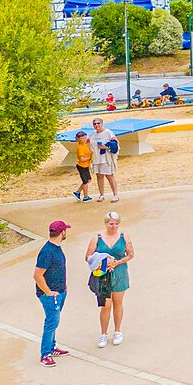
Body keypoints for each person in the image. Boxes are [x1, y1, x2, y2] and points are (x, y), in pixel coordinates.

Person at [85, 211, 133, 348]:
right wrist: (104, 262)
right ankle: (103, 333)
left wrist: (117, 262)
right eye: (111, 224)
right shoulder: (97, 238)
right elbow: (88, 257)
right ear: (106, 224)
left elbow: (130, 254)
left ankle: (117, 331)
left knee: (118, 303)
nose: (114, 226)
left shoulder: (124, 237)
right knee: (105, 306)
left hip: (119, 273)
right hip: (103, 275)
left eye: (116, 224)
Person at [34, 221, 71, 367]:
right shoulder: (47, 252)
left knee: (54, 321)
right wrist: (48, 293)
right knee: (51, 322)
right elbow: (37, 275)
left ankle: (52, 347)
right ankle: (45, 354)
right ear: (62, 232)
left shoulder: (56, 248)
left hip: (60, 290)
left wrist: (64, 286)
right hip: (50, 295)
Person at [90, 117, 120, 202]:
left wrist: (105, 147)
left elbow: (115, 144)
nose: (96, 125)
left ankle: (115, 195)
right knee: (99, 176)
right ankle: (101, 194)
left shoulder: (108, 132)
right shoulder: (93, 134)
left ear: (102, 124)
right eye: (94, 124)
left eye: (98, 123)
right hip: (97, 158)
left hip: (106, 158)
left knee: (109, 176)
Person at [72, 130, 94, 202]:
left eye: (85, 138)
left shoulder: (83, 145)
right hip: (82, 166)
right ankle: (85, 197)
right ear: (78, 139)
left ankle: (77, 192)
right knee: (85, 182)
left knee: (88, 180)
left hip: (85, 166)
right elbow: (82, 159)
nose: (84, 139)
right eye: (82, 138)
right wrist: (90, 157)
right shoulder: (80, 147)